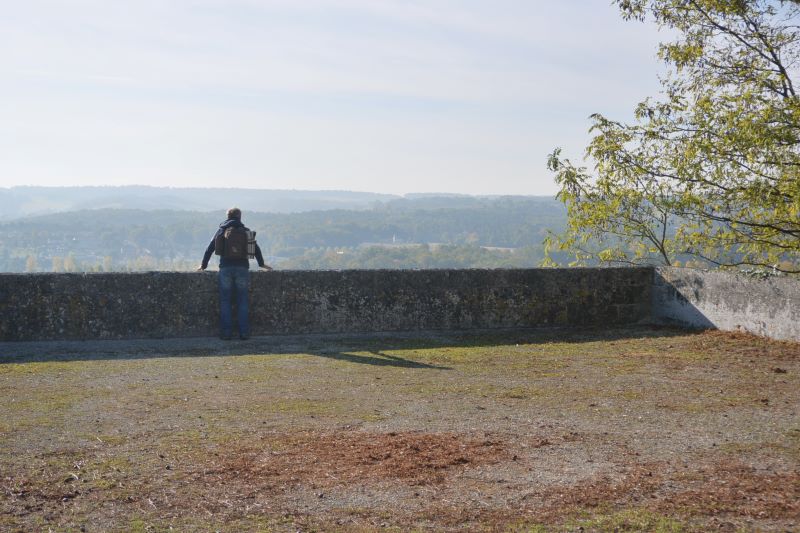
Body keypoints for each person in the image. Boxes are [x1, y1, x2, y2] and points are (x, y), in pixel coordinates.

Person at [199, 207, 271, 340]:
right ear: (240, 217)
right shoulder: (246, 231)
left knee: (225, 301)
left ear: (228, 217)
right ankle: (243, 333)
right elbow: (256, 249)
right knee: (242, 301)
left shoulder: (221, 230)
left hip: (225, 268)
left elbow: (209, 248)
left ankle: (226, 334)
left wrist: (203, 265)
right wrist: (261, 264)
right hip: (242, 268)